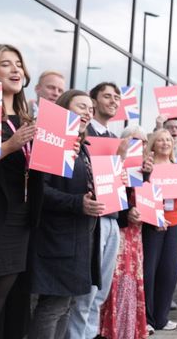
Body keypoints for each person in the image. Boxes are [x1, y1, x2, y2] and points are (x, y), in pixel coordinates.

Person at [29, 90, 103, 339]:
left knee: (67, 304)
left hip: (81, 236)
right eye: (82, 106)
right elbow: (41, 192)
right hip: (57, 238)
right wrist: (76, 203)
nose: (88, 111)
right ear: (63, 109)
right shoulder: (53, 141)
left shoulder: (82, 147)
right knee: (53, 306)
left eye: (90, 108)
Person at [0, 44, 40, 339]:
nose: (16, 69)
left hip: (19, 219)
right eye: (6, 64)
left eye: (19, 63)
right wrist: (9, 146)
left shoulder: (25, 117)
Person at [67, 82, 124, 338]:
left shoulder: (115, 140)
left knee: (100, 290)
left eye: (116, 97)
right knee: (85, 291)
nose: (113, 101)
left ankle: (89, 334)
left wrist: (121, 180)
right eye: (107, 96)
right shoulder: (79, 131)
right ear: (93, 101)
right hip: (89, 220)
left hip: (111, 217)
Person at [99, 125, 150, 338]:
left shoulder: (145, 166)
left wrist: (147, 175)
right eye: (135, 139)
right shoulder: (112, 163)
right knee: (114, 278)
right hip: (118, 228)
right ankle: (109, 330)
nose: (140, 144)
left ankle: (128, 329)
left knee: (131, 278)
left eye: (144, 141)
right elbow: (110, 194)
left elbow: (147, 199)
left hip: (135, 232)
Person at [142, 129, 177, 332]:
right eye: (160, 140)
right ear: (153, 144)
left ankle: (161, 317)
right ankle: (146, 318)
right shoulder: (147, 166)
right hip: (152, 223)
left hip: (174, 222)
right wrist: (154, 216)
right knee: (149, 271)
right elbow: (142, 192)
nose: (165, 143)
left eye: (168, 139)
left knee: (168, 272)